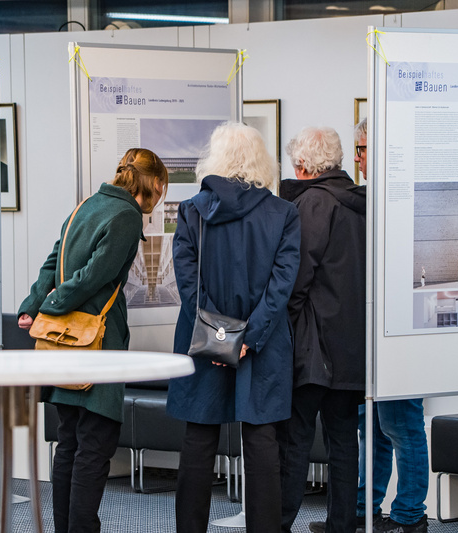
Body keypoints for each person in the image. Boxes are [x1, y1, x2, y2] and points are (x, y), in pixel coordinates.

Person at [17, 148, 168, 533]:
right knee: (94, 448)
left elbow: (53, 261)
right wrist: (52, 303)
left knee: (69, 443)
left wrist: (34, 304)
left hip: (62, 343)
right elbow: (94, 276)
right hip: (96, 344)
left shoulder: (87, 204)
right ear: (154, 183)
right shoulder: (126, 216)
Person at [167, 122, 301, 533]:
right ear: (261, 160)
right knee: (262, 444)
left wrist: (220, 338)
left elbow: (189, 287)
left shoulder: (191, 211)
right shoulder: (285, 214)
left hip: (202, 340)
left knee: (198, 442)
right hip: (263, 346)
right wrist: (248, 339)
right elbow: (282, 287)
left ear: (215, 159)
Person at [277, 126, 365, 533]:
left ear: (305, 165)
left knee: (295, 440)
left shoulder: (313, 203)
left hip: (313, 345)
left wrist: (286, 325)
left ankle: (278, 523)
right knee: (344, 440)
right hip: (351, 345)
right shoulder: (361, 203)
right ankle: (342, 524)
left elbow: (297, 277)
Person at [354, 118, 429, 533]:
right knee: (373, 425)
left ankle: (410, 516)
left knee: (401, 424)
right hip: (375, 328)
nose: (358, 158)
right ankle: (367, 509)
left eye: (362, 149)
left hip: (402, 328)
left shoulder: (402, 197)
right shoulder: (374, 198)